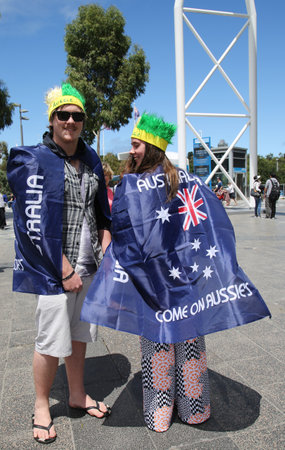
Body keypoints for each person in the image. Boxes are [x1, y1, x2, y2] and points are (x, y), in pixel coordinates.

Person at [81, 113, 270, 433]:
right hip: (187, 283)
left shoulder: (132, 185)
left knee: (157, 347)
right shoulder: (186, 180)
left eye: (136, 145)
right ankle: (196, 409)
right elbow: (211, 223)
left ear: (151, 148)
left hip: (151, 284)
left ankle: (159, 415)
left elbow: (126, 233)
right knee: (190, 345)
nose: (132, 151)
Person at [7, 83, 112, 444]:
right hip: (54, 271)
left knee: (80, 336)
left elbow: (102, 213)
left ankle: (76, 393)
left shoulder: (92, 158)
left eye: (77, 116)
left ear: (84, 121)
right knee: (51, 340)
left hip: (89, 266)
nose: (70, 121)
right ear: (51, 120)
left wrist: (105, 242)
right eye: (63, 115)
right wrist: (64, 269)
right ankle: (40, 405)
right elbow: (31, 225)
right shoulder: (36, 159)